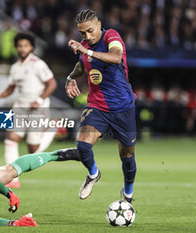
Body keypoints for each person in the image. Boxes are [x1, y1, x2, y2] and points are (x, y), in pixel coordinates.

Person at [65, 9, 137, 203]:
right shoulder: (86, 47)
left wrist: (85, 50)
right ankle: (93, 174)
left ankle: (128, 195)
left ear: (98, 25)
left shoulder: (111, 36)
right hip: (97, 106)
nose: (87, 36)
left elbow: (115, 57)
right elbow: (82, 64)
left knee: (127, 155)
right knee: (83, 145)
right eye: (82, 34)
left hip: (123, 107)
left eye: (90, 31)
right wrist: (71, 77)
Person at [0, 32, 57, 188]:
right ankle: (12, 179)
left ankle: (52, 129)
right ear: (16, 47)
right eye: (20, 46)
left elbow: (52, 84)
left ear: (32, 47)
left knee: (32, 150)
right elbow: (11, 87)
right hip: (20, 107)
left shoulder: (38, 64)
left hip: (38, 108)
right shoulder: (15, 67)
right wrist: (1, 95)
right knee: (11, 138)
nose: (22, 49)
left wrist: (40, 99)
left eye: (26, 46)